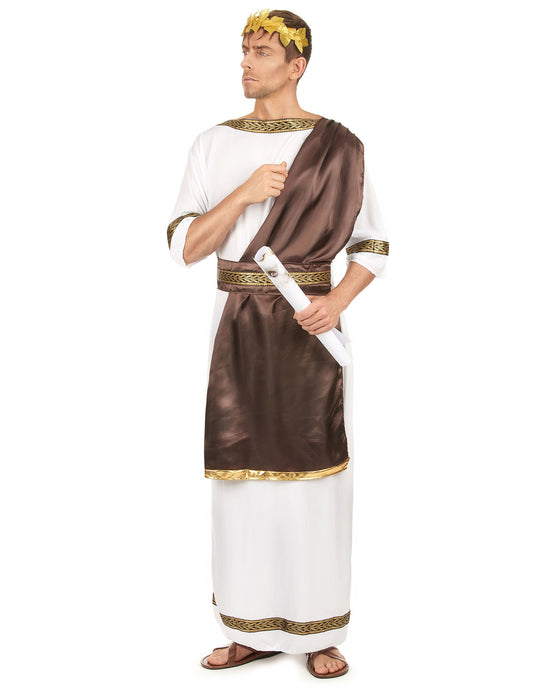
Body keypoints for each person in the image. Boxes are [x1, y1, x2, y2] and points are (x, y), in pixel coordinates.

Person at [166, 8, 389, 680]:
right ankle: (246, 628)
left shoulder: (340, 146)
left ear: (296, 66)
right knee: (241, 485)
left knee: (317, 482)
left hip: (308, 330)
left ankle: (320, 631)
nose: (245, 62)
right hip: (236, 327)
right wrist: (242, 194)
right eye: (244, 50)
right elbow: (184, 246)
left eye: (261, 52)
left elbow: (373, 244)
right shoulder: (212, 143)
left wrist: (336, 302)